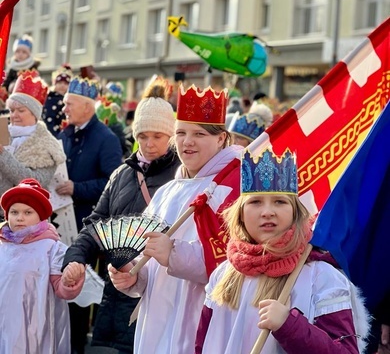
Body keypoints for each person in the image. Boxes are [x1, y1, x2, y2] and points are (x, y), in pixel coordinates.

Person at [108, 84, 243, 354]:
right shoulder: (168, 191)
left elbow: (233, 262)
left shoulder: (234, 187)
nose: (187, 141)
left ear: (221, 139)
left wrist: (174, 254)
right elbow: (144, 256)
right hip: (156, 317)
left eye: (199, 134)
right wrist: (132, 275)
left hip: (198, 315)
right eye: (180, 132)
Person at [195, 148, 370, 354]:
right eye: (255, 202)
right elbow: (202, 345)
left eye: (279, 201)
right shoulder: (224, 274)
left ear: (295, 212)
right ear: (240, 214)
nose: (268, 212)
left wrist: (290, 326)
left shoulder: (321, 277)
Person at [61, 80, 181, 353]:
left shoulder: (182, 176)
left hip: (157, 298)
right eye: (142, 136)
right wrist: (75, 258)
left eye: (157, 136)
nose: (148, 144)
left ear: (171, 135)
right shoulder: (122, 174)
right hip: (114, 296)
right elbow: (96, 224)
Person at [56, 75, 123, 354]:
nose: (65, 108)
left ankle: (77, 345)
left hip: (90, 227)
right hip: (62, 222)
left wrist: (77, 188)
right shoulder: (65, 133)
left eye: (69, 103)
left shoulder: (106, 138)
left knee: (81, 291)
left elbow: (113, 182)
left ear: (86, 106)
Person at [0, 178, 84, 353]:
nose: (19, 217)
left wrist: (69, 281)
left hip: (34, 329)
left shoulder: (52, 249)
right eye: (14, 212)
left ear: (41, 216)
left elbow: (61, 290)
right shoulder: (3, 245)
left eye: (28, 212)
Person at [0, 70, 66, 203]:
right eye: (12, 110)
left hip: (26, 215)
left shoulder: (47, 144)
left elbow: (35, 181)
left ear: (34, 113)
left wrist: (2, 154)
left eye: (21, 110)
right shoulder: (2, 130)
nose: (14, 115)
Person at [42, 63, 73, 137]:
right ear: (54, 84)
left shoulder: (70, 100)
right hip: (53, 134)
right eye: (59, 83)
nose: (62, 85)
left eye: (66, 83)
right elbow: (49, 119)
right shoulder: (50, 98)